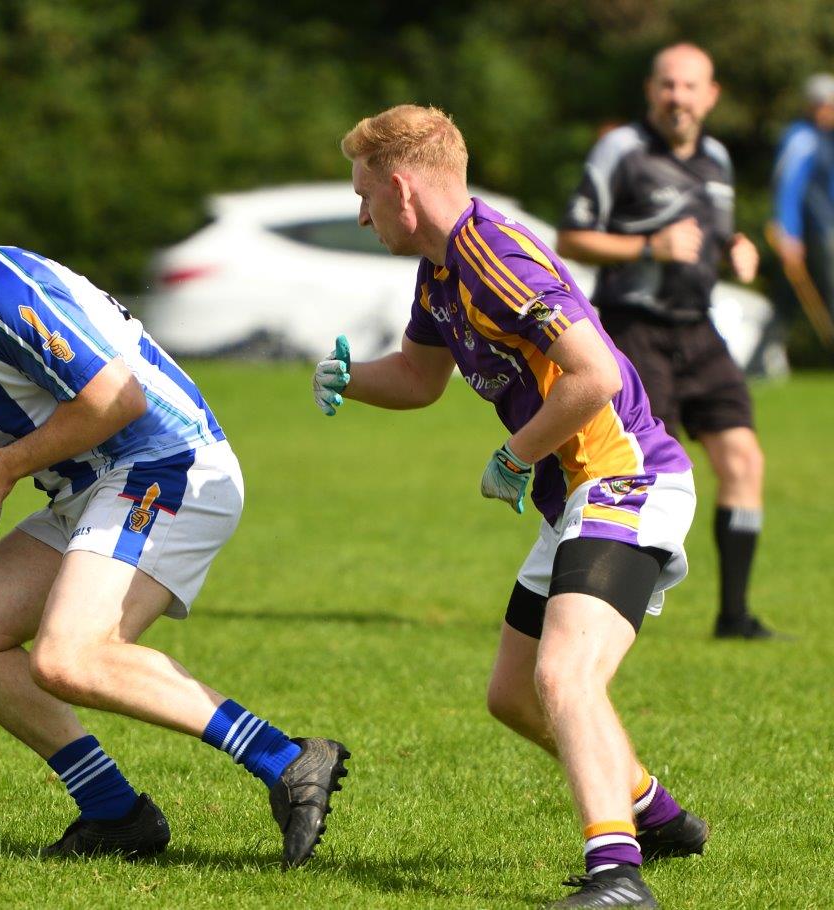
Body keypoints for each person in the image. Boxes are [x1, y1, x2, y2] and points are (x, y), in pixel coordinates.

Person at [0, 173, 349, 866]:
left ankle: (287, 758)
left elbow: (116, 400)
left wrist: (0, 473)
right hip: (88, 490)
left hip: (169, 464)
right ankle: (116, 815)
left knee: (71, 655)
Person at [320, 103, 706, 908]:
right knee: (515, 695)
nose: (361, 214)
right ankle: (655, 815)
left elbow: (595, 373)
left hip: (625, 480)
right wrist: (349, 380)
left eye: (363, 195)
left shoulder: (497, 258)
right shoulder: (439, 269)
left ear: (400, 187)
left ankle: (617, 876)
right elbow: (420, 379)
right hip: (575, 497)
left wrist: (512, 453)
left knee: (566, 674)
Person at [557, 43, 774, 640]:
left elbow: (717, 234)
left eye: (690, 86)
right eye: (668, 85)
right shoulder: (621, 150)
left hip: (699, 328)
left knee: (743, 460)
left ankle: (734, 617)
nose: (678, 97)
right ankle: (612, 604)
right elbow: (571, 236)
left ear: (711, 95)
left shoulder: (718, 160)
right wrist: (649, 247)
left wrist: (738, 248)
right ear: (652, 91)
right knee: (648, 476)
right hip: (635, 329)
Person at [770, 72, 834, 343]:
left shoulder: (826, 138)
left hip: (826, 229)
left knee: (785, 299)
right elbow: (788, 187)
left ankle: (763, 355)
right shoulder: (802, 138)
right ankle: (764, 356)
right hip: (817, 233)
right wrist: (788, 232)